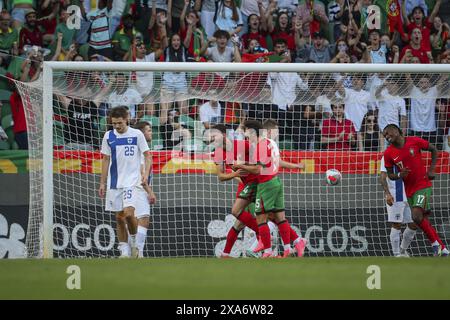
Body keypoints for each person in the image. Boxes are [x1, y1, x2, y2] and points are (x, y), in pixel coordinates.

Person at [233, 120, 307, 258]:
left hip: (264, 183)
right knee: (278, 216)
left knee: (261, 217)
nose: (245, 135)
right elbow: (277, 163)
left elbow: (257, 169)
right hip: (275, 181)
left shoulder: (260, 145)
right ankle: (290, 246)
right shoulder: (271, 143)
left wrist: (241, 166)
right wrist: (296, 166)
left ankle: (266, 249)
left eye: (246, 132)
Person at [382, 124, 449, 256]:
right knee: (420, 219)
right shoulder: (389, 153)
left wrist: (431, 169)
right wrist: (400, 175)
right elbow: (390, 175)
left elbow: (434, 150)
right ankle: (441, 248)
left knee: (416, 216)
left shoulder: (414, 141)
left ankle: (435, 246)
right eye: (385, 136)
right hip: (409, 190)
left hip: (423, 185)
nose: (387, 137)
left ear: (397, 131)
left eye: (388, 133)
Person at [98, 106, 152, 258]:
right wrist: (102, 183)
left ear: (126, 119)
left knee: (129, 214)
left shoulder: (137, 134)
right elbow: (106, 159)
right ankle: (124, 250)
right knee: (119, 218)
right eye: (114, 123)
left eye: (119, 123)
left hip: (132, 182)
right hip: (114, 183)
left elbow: (148, 156)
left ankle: (135, 243)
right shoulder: (108, 136)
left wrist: (145, 175)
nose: (117, 126)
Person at [209, 123, 260, 258]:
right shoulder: (217, 152)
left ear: (224, 135)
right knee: (240, 220)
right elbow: (221, 176)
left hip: (257, 183)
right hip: (244, 186)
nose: (211, 138)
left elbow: (258, 161)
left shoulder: (243, 145)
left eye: (214, 135)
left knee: (245, 217)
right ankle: (226, 253)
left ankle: (265, 239)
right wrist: (236, 175)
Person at [379, 156, 417, 257]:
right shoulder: (387, 156)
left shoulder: (409, 154)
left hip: (409, 194)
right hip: (396, 195)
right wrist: (387, 193)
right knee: (397, 224)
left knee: (414, 224)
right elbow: (383, 176)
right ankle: (396, 255)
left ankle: (402, 250)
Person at [133, 121, 157, 258]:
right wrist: (150, 191)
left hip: (136, 188)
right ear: (141, 134)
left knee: (138, 220)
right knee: (143, 219)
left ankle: (134, 251)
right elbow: (142, 175)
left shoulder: (141, 150)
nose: (151, 132)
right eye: (148, 130)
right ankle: (138, 252)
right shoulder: (141, 152)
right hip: (138, 189)